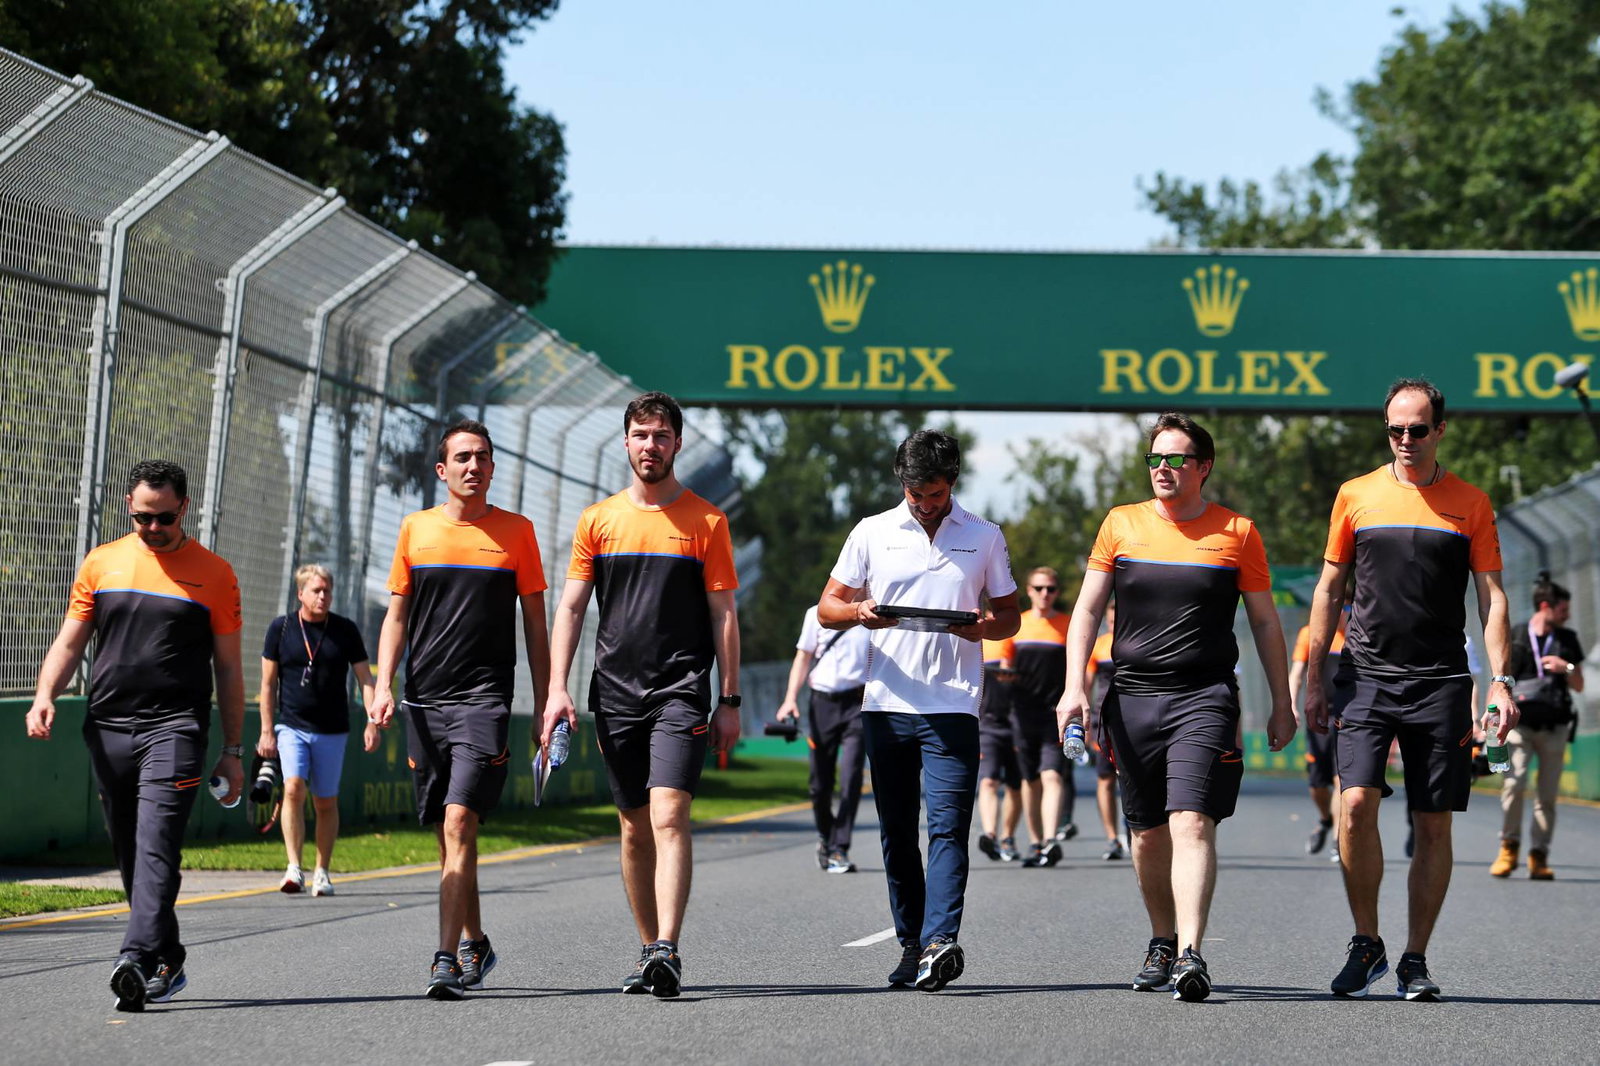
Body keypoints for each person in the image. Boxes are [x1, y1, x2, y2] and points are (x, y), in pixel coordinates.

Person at [1056, 413, 1294, 1003]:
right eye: (1154, 458)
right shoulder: (1121, 524)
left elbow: (1265, 622)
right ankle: (1161, 940)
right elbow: (1087, 610)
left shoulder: (1237, 532)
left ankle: (1191, 953)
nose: (1162, 468)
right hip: (1131, 696)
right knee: (1146, 833)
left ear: (1203, 467)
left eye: (1176, 458)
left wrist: (1282, 702)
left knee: (1191, 820)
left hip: (1204, 696)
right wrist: (1073, 687)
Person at [1304, 378, 1513, 1002]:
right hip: (1365, 677)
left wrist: (1500, 683)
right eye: (1394, 429)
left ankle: (1415, 959)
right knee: (1355, 804)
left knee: (1432, 823)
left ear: (1439, 430)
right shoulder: (1356, 495)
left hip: (1440, 683)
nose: (1404, 439)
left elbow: (1492, 598)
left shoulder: (1471, 503)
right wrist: (1313, 677)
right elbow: (1329, 588)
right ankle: (1366, 941)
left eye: (1417, 429)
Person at [26, 459, 245, 1011]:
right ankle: (167, 955)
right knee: (130, 850)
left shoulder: (215, 574)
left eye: (165, 518)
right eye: (143, 517)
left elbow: (228, 668)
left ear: (185, 508)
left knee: (156, 844)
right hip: (108, 728)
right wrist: (45, 693)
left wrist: (233, 750)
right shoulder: (101, 562)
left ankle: (136, 957)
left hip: (175, 729)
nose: (153, 528)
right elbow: (70, 641)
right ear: (129, 507)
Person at [544, 391, 741, 1000]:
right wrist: (556, 689)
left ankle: (667, 950)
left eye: (660, 435)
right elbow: (571, 608)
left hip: (680, 690)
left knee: (669, 814)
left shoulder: (707, 522)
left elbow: (724, 614)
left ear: (677, 443)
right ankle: (648, 945)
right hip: (615, 694)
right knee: (633, 829)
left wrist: (729, 700)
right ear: (626, 442)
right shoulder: (597, 521)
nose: (650, 445)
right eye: (640, 434)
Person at [818, 429, 1020, 993]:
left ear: (952, 483)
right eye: (915, 494)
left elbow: (1010, 616)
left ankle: (940, 942)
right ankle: (912, 943)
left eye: (935, 494)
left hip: (955, 704)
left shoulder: (984, 536)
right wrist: (860, 611)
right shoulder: (871, 531)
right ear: (901, 482)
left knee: (949, 827)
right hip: (886, 705)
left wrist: (983, 627)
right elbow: (827, 607)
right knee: (897, 832)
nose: (925, 504)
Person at [368, 418, 550, 1000]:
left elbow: (536, 624)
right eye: (464, 457)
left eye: (484, 457)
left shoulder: (518, 532)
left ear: (493, 468)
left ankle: (444, 959)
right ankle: (476, 941)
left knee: (459, 822)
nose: (475, 466)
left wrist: (547, 699)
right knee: (447, 838)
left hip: (484, 702)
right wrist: (382, 684)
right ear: (442, 470)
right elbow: (397, 615)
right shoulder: (414, 529)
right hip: (423, 703)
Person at [257, 563, 379, 896]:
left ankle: (322, 871)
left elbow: (365, 679)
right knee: (293, 788)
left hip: (332, 729)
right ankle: (294, 868)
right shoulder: (281, 628)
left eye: (327, 591)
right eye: (316, 590)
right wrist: (267, 730)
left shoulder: (345, 630)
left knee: (325, 801)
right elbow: (267, 684)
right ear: (301, 593)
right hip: (292, 725)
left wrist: (372, 720)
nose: (323, 596)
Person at [1491, 571, 1584, 880]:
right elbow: (1500, 682)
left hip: (1555, 726)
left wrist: (1565, 667)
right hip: (1521, 726)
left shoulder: (1567, 640)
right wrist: (1491, 727)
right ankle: (1509, 848)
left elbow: (1580, 685)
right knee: (1514, 785)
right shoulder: (1517, 635)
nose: (1567, 615)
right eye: (1563, 609)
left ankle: (1538, 856)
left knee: (1547, 796)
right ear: (1546, 606)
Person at [776, 596, 870, 874]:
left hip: (858, 703)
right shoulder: (816, 614)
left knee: (852, 777)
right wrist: (790, 699)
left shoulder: (872, 614)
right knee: (819, 784)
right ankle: (826, 836)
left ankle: (840, 847)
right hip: (822, 704)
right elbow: (803, 657)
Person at [1007, 566, 1074, 867]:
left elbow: (1079, 669)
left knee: (1052, 775)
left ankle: (1049, 841)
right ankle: (1036, 843)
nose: (1045, 594)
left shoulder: (1068, 625)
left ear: (1057, 592)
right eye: (1039, 588)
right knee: (1030, 780)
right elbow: (1003, 664)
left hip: (1055, 715)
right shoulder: (1017, 625)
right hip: (1021, 714)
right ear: (1029, 591)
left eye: (1051, 589)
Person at [1288, 601, 1349, 859]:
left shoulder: (1356, 635)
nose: (1342, 613)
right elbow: (1296, 674)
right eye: (1338, 607)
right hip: (1319, 716)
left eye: (1347, 608)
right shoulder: (1309, 633)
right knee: (1317, 784)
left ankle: (1337, 839)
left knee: (1340, 779)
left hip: (1348, 717)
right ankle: (1325, 819)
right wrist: (1290, 705)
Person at [1085, 599, 1127, 861]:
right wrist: (1085, 722)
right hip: (1103, 722)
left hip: (1133, 721)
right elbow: (1087, 684)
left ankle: (1134, 825)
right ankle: (1112, 837)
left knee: (1134, 779)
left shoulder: (1136, 643)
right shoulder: (1099, 646)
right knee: (1105, 779)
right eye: (1111, 620)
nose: (1115, 624)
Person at [975, 639, 1023, 863]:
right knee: (988, 781)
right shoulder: (978, 642)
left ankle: (1008, 838)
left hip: (1018, 727)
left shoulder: (1021, 640)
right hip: (987, 727)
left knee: (1015, 786)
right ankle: (990, 835)